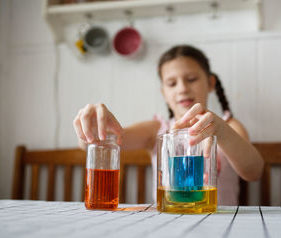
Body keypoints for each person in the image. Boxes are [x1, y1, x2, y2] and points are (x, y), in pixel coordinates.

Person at [73, 44, 264, 205]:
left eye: (191, 79)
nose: (182, 88)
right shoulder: (157, 130)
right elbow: (103, 140)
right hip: (169, 223)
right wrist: (91, 128)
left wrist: (221, 131)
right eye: (172, 83)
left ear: (210, 82)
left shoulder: (229, 126)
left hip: (222, 222)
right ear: (163, 92)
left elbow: (254, 172)